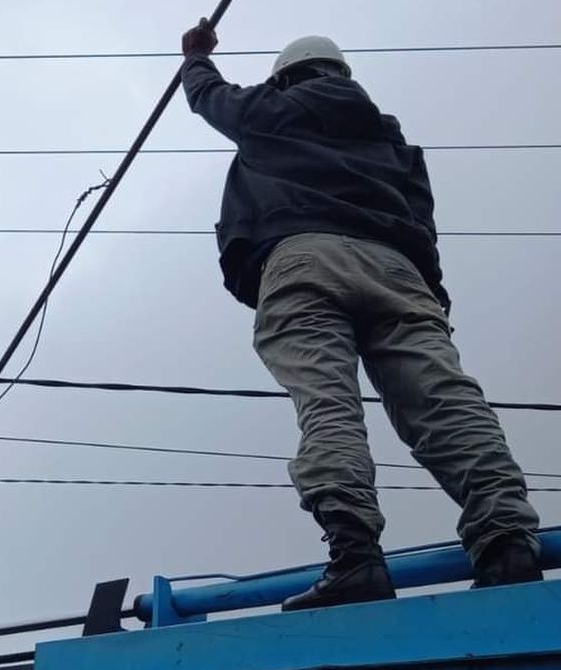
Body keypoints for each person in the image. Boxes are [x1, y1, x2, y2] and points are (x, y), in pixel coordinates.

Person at [178, 20, 542, 611]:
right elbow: (423, 220)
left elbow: (209, 99)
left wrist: (196, 57)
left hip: (303, 258)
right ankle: (508, 543)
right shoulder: (391, 140)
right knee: (443, 400)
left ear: (287, 77)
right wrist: (432, 295)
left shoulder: (271, 110)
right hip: (399, 270)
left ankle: (356, 557)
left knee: (328, 402)